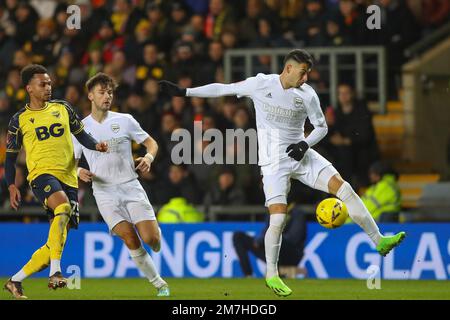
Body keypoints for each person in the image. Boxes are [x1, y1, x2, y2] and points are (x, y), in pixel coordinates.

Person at [159, 49, 406, 297]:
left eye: (308, 73)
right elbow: (222, 88)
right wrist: (185, 92)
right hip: (273, 164)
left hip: (301, 155)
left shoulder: (308, 95)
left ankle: (379, 240)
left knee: (345, 188)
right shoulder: (260, 84)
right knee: (278, 219)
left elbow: (322, 127)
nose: (306, 78)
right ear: (288, 69)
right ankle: (272, 275)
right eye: (302, 72)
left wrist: (304, 144)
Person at [3, 64, 108, 299]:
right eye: (43, 84)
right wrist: (11, 185)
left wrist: (96, 145)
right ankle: (56, 273)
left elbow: (81, 135)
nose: (48, 87)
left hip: (69, 177)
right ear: (29, 88)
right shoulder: (18, 120)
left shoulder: (63, 108)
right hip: (41, 174)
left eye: (49, 83)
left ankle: (15, 280)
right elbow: (10, 159)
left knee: (56, 240)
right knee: (62, 207)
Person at [73, 73, 169, 297]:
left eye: (110, 92)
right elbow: (69, 163)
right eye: (102, 92)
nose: (107, 96)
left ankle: (156, 235)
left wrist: (148, 158)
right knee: (130, 237)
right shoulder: (79, 128)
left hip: (130, 185)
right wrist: (78, 171)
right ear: (90, 96)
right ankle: (159, 284)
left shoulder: (125, 120)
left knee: (151, 240)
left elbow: (151, 143)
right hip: (104, 192)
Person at [233, 206, 307, 278]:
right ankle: (248, 275)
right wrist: (259, 241)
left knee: (275, 238)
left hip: (291, 254)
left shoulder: (296, 212)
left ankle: (276, 276)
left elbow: (294, 238)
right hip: (271, 249)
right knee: (238, 237)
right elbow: (266, 230)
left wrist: (270, 238)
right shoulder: (273, 210)